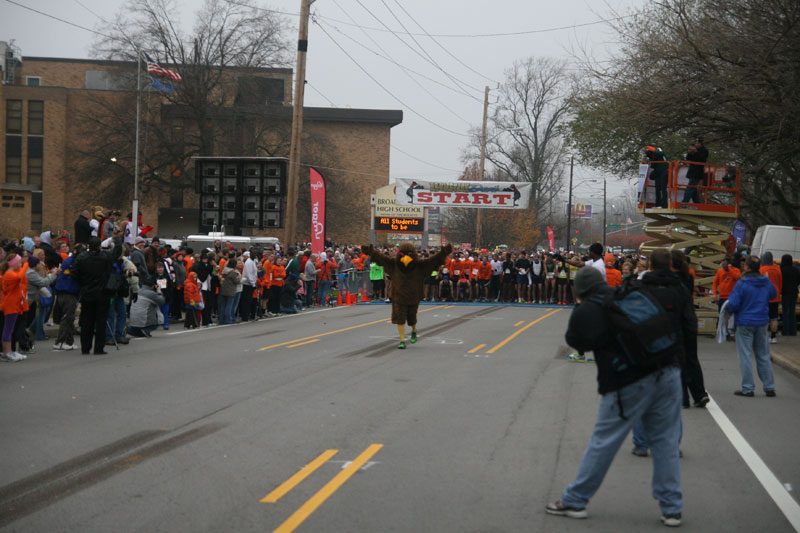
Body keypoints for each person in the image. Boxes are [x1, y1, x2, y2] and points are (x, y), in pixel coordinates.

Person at [547, 259, 684, 527]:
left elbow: (578, 341)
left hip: (630, 379)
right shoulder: (630, 293)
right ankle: (672, 508)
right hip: (668, 370)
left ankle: (576, 500)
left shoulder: (588, 309)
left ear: (580, 291)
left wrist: (581, 311)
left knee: (604, 440)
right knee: (665, 442)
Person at [364, 243, 452, 349]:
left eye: (409, 254)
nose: (405, 257)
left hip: (413, 296)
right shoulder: (394, 265)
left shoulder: (419, 266)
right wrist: (371, 252)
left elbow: (432, 261)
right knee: (400, 317)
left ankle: (414, 330)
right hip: (399, 296)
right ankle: (402, 340)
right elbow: (381, 258)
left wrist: (443, 253)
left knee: (412, 317)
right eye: (402, 254)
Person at [726, 256, 777, 397]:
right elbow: (773, 294)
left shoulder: (742, 283)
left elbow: (734, 304)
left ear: (747, 267)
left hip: (745, 322)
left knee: (745, 356)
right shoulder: (766, 282)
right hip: (761, 321)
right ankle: (769, 386)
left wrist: (729, 310)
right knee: (763, 355)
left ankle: (748, 388)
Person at [70, 236, 122, 355]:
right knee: (101, 322)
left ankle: (85, 348)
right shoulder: (105, 256)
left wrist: (82, 283)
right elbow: (117, 252)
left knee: (87, 321)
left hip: (87, 293)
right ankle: (98, 348)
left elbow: (73, 273)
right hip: (102, 294)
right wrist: (117, 239)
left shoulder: (82, 257)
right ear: (99, 246)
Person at [1, 253, 30, 362]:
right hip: (10, 305)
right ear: (14, 263)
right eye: (19, 262)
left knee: (11, 329)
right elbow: (19, 277)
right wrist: (27, 264)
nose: (20, 264)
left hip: (15, 304)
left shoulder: (13, 272)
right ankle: (6, 352)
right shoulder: (9, 274)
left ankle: (10, 351)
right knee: (8, 329)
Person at [52, 246, 81, 351]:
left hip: (68, 291)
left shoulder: (70, 260)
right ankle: (60, 342)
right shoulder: (72, 263)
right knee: (67, 317)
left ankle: (68, 341)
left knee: (71, 317)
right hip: (68, 292)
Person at [758, 252, 783, 344]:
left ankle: (764, 336)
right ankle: (773, 337)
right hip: (775, 297)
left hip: (764, 297)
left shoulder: (762, 269)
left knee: (764, 317)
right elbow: (780, 284)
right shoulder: (778, 270)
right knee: (774, 318)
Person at [681, 138, 708, 204]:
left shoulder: (704, 150)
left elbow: (702, 159)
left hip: (697, 172)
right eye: (696, 143)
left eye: (697, 143)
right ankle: (697, 202)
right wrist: (690, 151)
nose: (696, 144)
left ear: (701, 144)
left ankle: (685, 202)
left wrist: (695, 151)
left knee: (690, 187)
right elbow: (688, 158)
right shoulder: (696, 150)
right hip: (692, 171)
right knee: (693, 187)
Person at [780, 254, 798, 336]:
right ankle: (793, 330)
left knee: (785, 311)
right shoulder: (796, 270)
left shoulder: (782, 270)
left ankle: (785, 330)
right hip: (794, 292)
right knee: (792, 311)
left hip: (785, 293)